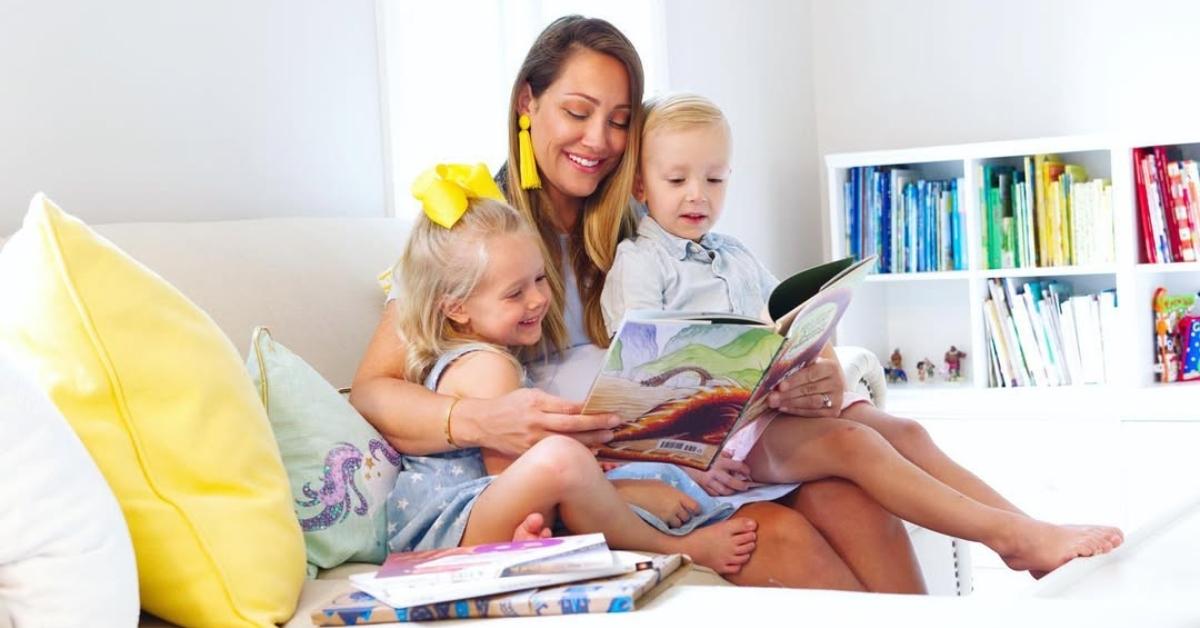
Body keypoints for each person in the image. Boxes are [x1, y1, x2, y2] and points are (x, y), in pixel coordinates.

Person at [353, 15, 927, 593]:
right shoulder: (480, 237)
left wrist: (812, 368)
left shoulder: (645, 226)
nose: (598, 140)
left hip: (688, 443)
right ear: (528, 102)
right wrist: (484, 421)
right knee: (782, 532)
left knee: (852, 497)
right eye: (577, 113)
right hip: (607, 473)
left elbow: (733, 331)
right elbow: (375, 388)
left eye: (620, 121)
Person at [600, 93, 1125, 576]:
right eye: (677, 181)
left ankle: (1029, 532)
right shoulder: (641, 264)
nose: (699, 196)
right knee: (854, 444)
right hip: (722, 438)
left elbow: (787, 317)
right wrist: (692, 462)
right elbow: (642, 379)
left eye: (715, 180)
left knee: (907, 434)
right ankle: (1008, 538)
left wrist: (816, 354)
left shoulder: (733, 253)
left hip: (772, 409)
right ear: (641, 185)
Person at [384, 169, 758, 573]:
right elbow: (526, 475)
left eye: (541, 278)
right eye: (515, 293)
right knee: (562, 458)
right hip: (446, 530)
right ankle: (668, 546)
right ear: (455, 307)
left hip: (476, 517)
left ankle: (538, 544)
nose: (539, 299)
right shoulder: (487, 367)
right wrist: (629, 492)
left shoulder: (483, 357)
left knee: (575, 457)